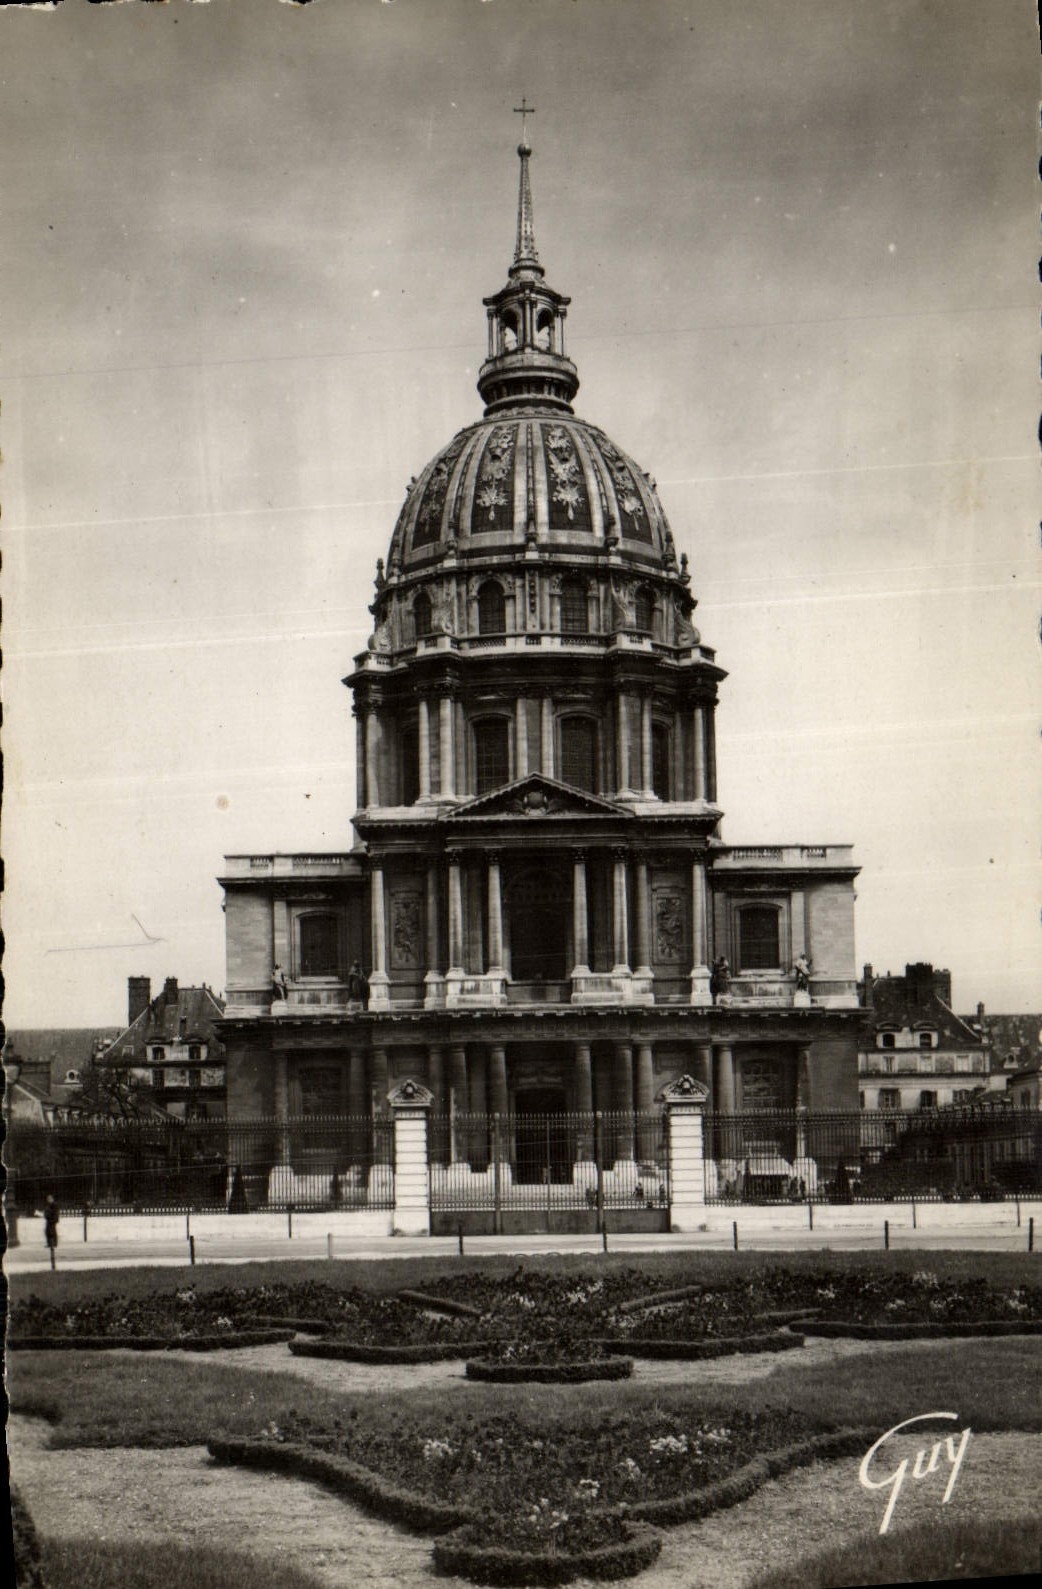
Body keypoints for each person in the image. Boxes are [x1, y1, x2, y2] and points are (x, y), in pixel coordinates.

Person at [43, 1195, 60, 1268]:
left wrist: (54, 1219)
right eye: (48, 1199)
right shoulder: (50, 1205)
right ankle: (50, 1243)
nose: (48, 1200)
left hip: (52, 1220)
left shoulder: (54, 1205)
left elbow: (55, 1213)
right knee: (48, 1231)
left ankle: (54, 1243)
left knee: (52, 1231)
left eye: (49, 1199)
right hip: (49, 1220)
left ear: (52, 1199)